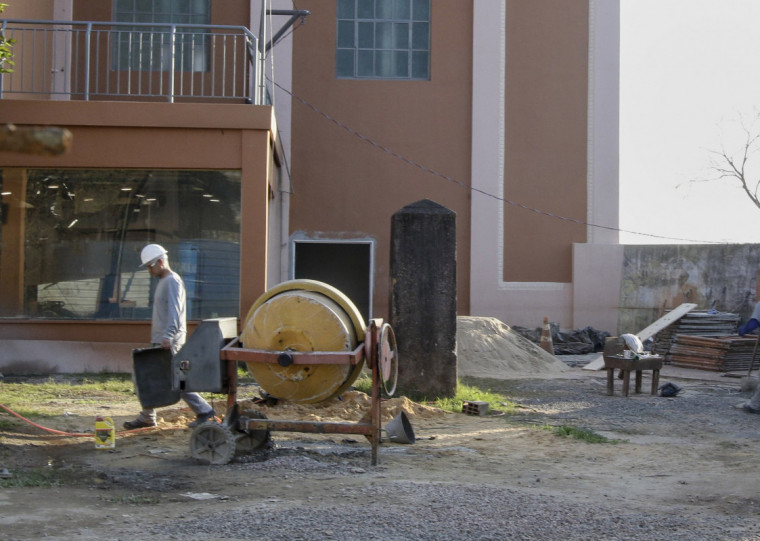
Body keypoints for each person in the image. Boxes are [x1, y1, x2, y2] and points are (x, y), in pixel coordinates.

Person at [124, 244, 216, 429]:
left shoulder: (172, 281)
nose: (149, 270)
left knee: (176, 379)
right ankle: (147, 416)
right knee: (149, 377)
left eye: (150, 266)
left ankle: (205, 411)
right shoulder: (163, 281)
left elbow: (176, 312)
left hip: (168, 341)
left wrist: (168, 335)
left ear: (160, 261)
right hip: (161, 339)